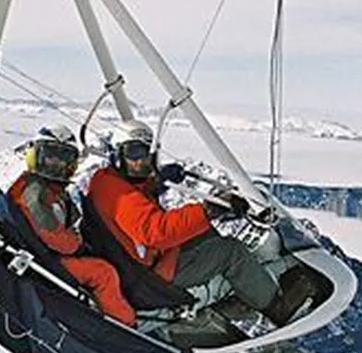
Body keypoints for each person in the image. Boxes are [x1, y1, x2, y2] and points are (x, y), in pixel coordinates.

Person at [87, 119, 315, 327]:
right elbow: (155, 231)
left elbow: (135, 206)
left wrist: (157, 182)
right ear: (117, 154)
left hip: (138, 259)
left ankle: (243, 296)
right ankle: (279, 309)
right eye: (134, 152)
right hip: (149, 275)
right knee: (230, 251)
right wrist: (208, 210)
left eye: (146, 152)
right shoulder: (117, 193)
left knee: (206, 234)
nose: (142, 160)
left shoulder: (107, 180)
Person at [8, 125, 137, 327]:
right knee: (103, 273)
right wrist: (78, 242)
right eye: (51, 156)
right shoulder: (34, 192)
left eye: (64, 158)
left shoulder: (48, 188)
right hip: (48, 261)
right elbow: (58, 240)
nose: (57, 164)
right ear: (35, 156)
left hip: (46, 254)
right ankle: (125, 325)